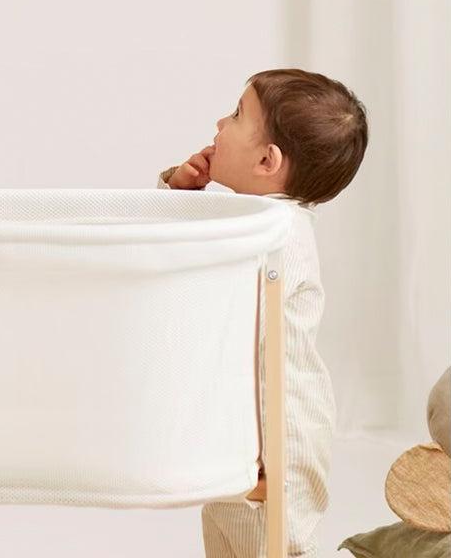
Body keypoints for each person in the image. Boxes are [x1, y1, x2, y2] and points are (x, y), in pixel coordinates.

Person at [160, 68, 369, 558]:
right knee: (227, 540)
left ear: (266, 160)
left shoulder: (281, 234)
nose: (219, 123)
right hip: (238, 440)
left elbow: (201, 289)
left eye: (236, 115)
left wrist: (268, 460)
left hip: (279, 448)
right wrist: (181, 198)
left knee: (272, 546)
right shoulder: (250, 224)